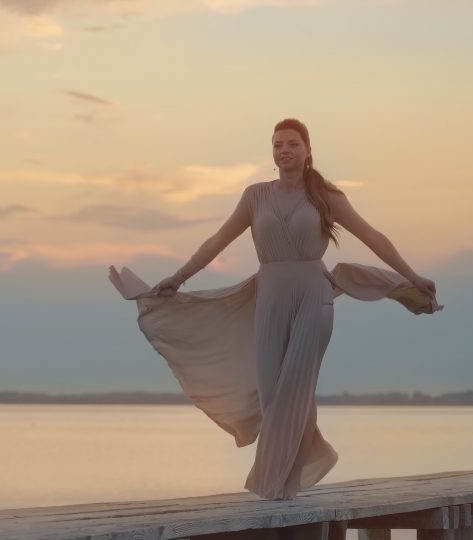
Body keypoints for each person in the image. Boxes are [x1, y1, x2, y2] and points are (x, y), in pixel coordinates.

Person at [108, 118, 441, 500]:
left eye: (293, 144)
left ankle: (273, 489)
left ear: (307, 150)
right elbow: (218, 239)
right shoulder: (255, 196)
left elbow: (372, 236)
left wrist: (412, 276)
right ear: (273, 152)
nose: (285, 150)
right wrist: (179, 277)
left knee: (294, 392)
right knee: (272, 394)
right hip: (269, 298)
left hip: (313, 299)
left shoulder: (326, 196)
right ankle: (305, 465)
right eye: (278, 144)